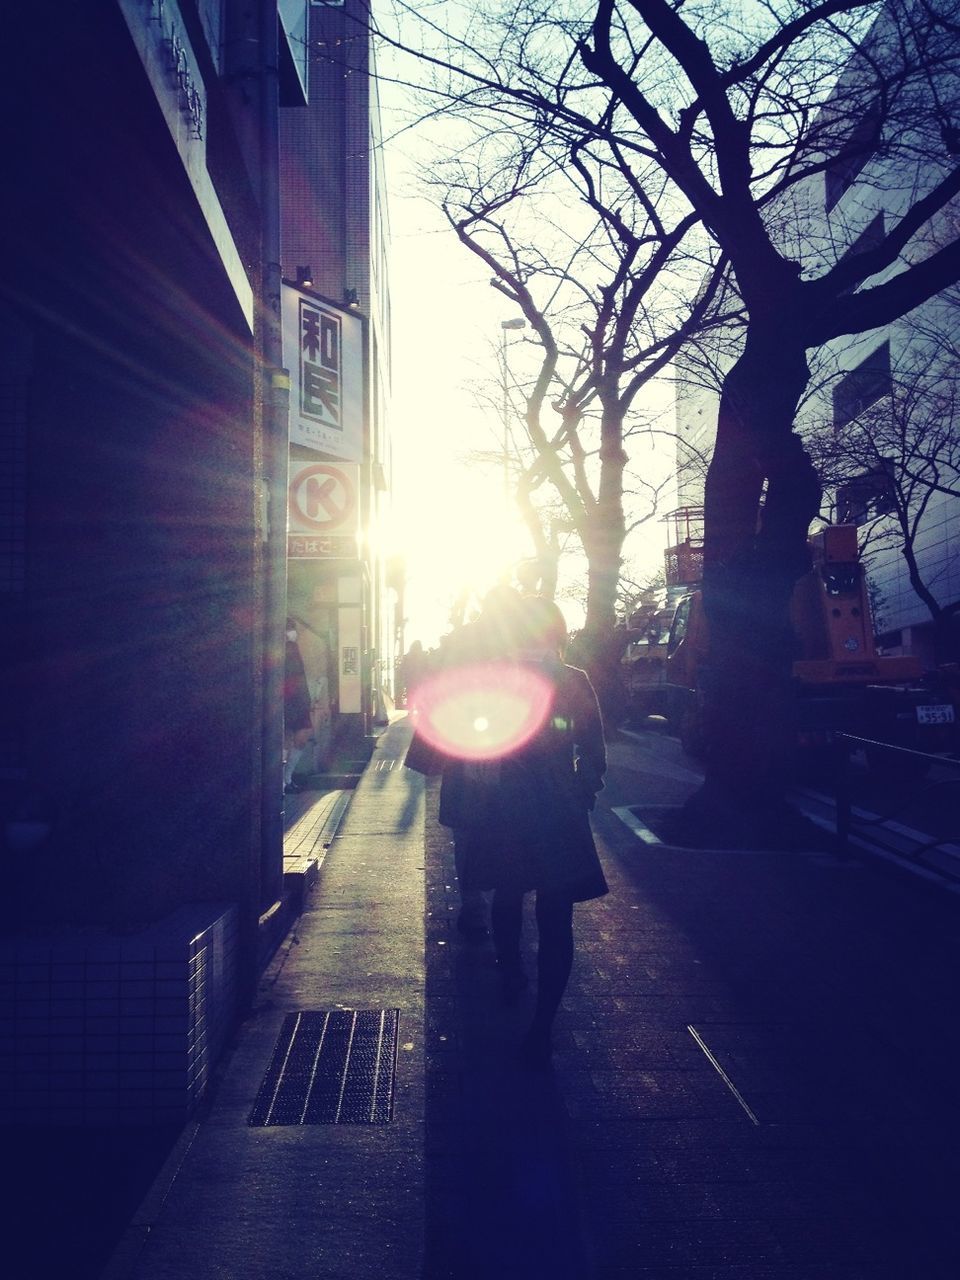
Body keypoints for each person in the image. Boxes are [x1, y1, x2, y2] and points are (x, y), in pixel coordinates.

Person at [437, 595, 608, 1068]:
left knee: (507, 895)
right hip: (558, 810)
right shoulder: (573, 680)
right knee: (557, 917)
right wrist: (585, 792)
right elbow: (593, 747)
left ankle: (510, 969)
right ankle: (542, 1026)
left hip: (504, 805)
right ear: (558, 633)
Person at [283, 618, 313, 795]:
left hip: (299, 700)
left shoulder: (292, 648)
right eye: (290, 629)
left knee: (301, 736)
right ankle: (284, 781)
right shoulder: (285, 648)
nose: (294, 632)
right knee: (287, 739)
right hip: (290, 700)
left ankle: (287, 778)